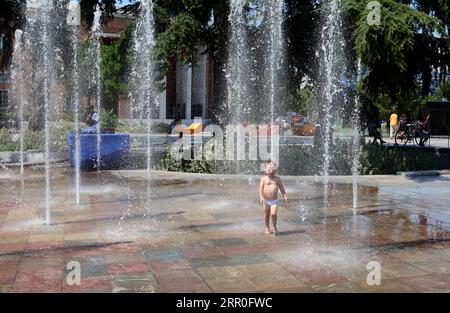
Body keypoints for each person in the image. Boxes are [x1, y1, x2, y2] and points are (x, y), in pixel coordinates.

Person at [259, 162, 288, 236]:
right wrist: (261, 197)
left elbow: (281, 188)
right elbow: (260, 189)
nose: (270, 172)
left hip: (274, 201)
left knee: (273, 214)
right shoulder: (263, 179)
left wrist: (285, 195)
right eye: (269, 170)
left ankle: (274, 226)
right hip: (265, 200)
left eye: (272, 171)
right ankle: (267, 227)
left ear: (276, 171)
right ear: (265, 170)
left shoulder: (277, 179)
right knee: (266, 215)